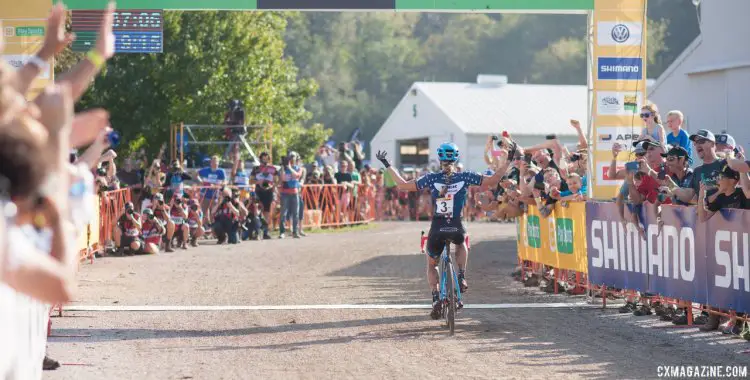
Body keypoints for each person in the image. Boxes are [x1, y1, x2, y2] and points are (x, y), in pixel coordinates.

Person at [375, 142, 507, 319]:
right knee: (461, 242)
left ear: (439, 159)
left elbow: (403, 185)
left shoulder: (431, 178)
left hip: (437, 227)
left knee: (431, 263)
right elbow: (493, 180)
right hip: (456, 225)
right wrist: (509, 159)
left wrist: (387, 164)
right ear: (456, 159)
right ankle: (461, 275)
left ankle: (436, 297)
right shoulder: (465, 177)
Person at [249, 152, 276, 240]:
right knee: (257, 211)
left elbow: (277, 180)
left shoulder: (273, 168)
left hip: (268, 192)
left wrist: (272, 186)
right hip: (258, 192)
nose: (265, 160)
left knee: (267, 213)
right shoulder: (256, 168)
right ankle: (257, 232)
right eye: (263, 159)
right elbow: (250, 181)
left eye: (266, 159)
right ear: (260, 159)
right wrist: (258, 182)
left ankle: (265, 232)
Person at [279, 152, 302, 239]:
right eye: (290, 157)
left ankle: (295, 232)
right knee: (283, 213)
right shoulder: (284, 168)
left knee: (295, 213)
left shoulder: (298, 168)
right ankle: (282, 232)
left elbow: (297, 176)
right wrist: (282, 167)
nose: (292, 159)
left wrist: (289, 167)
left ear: (296, 158)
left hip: (294, 193)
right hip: (285, 193)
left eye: (294, 157)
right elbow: (282, 178)